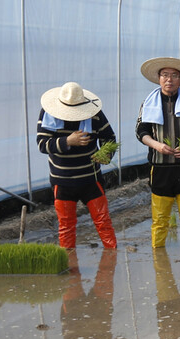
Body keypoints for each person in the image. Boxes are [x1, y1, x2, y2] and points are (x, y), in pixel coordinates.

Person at [36, 82, 118, 249]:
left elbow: (109, 138)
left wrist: (105, 155)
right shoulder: (48, 113)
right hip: (63, 181)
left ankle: (111, 259)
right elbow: (42, 144)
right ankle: (70, 267)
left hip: (91, 179)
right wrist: (67, 141)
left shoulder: (94, 114)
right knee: (66, 226)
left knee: (103, 221)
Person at [135, 57, 180, 248]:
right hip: (160, 170)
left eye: (174, 75)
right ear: (159, 78)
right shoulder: (148, 105)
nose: (169, 79)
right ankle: (159, 257)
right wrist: (156, 145)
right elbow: (141, 132)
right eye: (165, 75)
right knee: (160, 220)